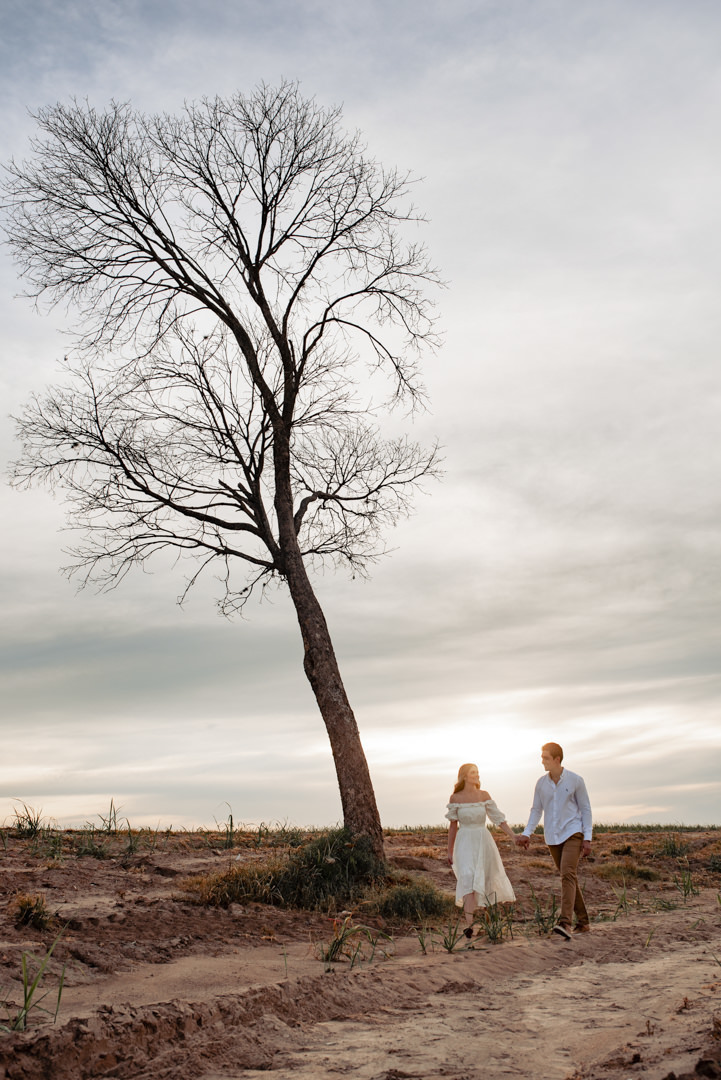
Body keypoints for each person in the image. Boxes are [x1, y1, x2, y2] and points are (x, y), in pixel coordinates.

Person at [516, 742, 592, 939]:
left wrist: (587, 838)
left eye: (545, 758)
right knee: (569, 876)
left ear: (557, 759)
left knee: (567, 874)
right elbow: (536, 810)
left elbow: (585, 809)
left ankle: (565, 923)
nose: (542, 761)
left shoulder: (576, 780)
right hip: (552, 837)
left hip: (573, 832)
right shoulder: (541, 784)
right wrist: (527, 833)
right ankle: (583, 922)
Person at [446, 763, 516, 938]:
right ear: (464, 776)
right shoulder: (455, 798)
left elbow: (498, 819)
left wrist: (513, 836)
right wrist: (449, 850)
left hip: (483, 840)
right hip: (464, 842)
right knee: (467, 877)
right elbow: (453, 826)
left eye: (477, 772)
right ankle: (469, 925)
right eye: (473, 772)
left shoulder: (484, 795)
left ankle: (489, 923)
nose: (476, 775)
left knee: (486, 878)